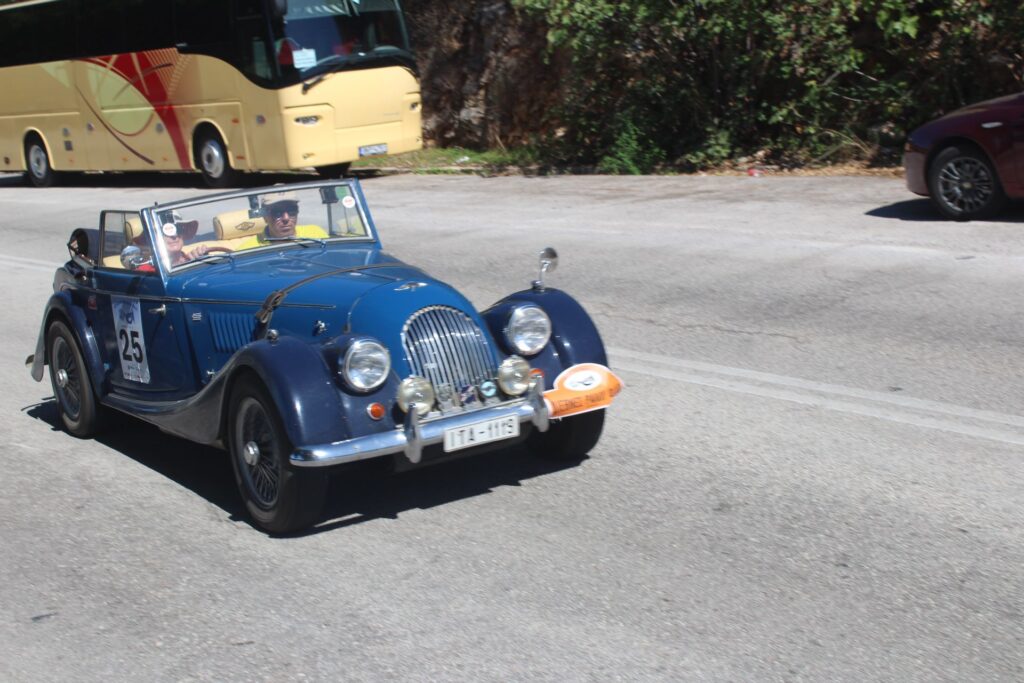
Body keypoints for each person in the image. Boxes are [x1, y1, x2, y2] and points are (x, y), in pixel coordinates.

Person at [235, 191, 328, 250]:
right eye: (277, 212)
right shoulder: (248, 250)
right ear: (265, 217)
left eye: (291, 210)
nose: (286, 218)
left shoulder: (316, 234)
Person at [137, 211, 210, 271]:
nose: (174, 235)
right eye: (165, 231)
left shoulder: (196, 258)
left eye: (178, 229)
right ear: (152, 238)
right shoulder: (146, 271)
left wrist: (203, 262)